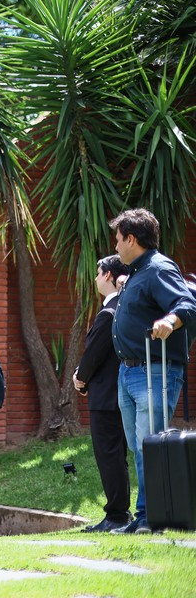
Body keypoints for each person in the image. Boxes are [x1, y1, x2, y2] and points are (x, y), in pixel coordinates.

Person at [108, 208, 196, 535]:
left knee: (150, 447)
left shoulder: (158, 268)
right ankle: (144, 516)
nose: (115, 247)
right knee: (140, 448)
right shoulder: (136, 272)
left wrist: (168, 322)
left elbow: (187, 305)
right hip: (130, 371)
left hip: (154, 371)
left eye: (118, 240)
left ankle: (152, 519)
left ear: (132, 239)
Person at [74, 254, 132, 533]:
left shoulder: (110, 312)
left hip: (106, 397)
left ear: (108, 275)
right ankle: (120, 512)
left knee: (109, 455)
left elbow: (94, 354)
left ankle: (117, 515)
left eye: (98, 273)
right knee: (116, 455)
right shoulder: (123, 308)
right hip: (115, 395)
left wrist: (80, 378)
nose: (96, 278)